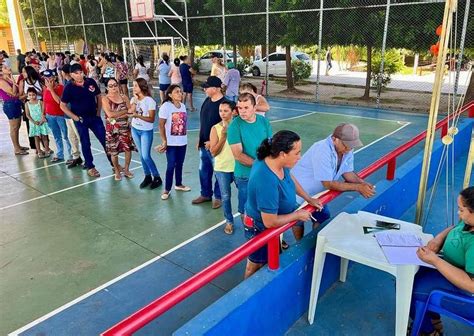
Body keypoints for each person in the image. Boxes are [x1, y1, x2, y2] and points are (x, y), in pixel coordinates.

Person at [243, 130, 323, 278]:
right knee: (255, 264)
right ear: (283, 154)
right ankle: (245, 293)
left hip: (274, 218)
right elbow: (270, 221)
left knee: (268, 258)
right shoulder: (266, 179)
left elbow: (290, 178)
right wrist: (297, 215)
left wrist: (308, 198)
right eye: (297, 153)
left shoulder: (277, 162)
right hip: (259, 226)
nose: (300, 157)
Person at [291, 123, 375, 241]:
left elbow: (348, 172)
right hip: (299, 192)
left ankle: (313, 244)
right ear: (334, 139)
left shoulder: (347, 150)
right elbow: (328, 183)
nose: (348, 149)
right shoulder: (322, 150)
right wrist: (358, 188)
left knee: (322, 217)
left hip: (318, 194)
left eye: (351, 146)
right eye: (346, 145)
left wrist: (362, 183)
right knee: (298, 221)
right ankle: (299, 244)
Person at [410, 186, 474, 335]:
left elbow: (471, 285)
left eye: (461, 210)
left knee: (408, 289)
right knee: (406, 276)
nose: (458, 213)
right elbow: (455, 227)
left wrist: (436, 261)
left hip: (465, 297)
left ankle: (428, 331)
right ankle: (433, 320)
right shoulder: (468, 221)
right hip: (448, 272)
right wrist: (439, 238)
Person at [228, 92, 272, 219]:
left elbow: (270, 146)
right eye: (240, 108)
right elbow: (238, 155)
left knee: (265, 205)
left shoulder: (264, 122)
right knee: (247, 210)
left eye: (246, 107)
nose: (242, 111)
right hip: (245, 176)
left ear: (255, 107)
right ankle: (250, 236)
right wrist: (262, 166)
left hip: (264, 173)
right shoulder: (235, 126)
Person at [60, 63, 107, 178]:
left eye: (81, 72)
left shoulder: (90, 82)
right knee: (85, 142)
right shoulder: (69, 88)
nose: (79, 75)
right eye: (76, 73)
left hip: (94, 117)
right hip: (81, 120)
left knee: (105, 140)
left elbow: (99, 96)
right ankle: (90, 166)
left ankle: (113, 164)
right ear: (71, 75)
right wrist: (75, 117)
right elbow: (62, 105)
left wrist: (98, 112)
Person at [191, 76, 225, 208]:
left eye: (207, 86)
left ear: (216, 88)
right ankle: (205, 194)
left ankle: (218, 197)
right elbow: (203, 122)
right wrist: (199, 139)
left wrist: (214, 142)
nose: (204, 88)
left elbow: (225, 126)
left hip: (216, 146)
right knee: (203, 170)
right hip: (204, 144)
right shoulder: (207, 101)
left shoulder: (224, 104)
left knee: (218, 172)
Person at [156, 84, 190, 199]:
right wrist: (164, 141)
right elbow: (161, 125)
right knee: (171, 165)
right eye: (177, 92)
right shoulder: (166, 106)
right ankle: (167, 189)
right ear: (170, 95)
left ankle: (178, 184)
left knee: (180, 164)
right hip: (171, 143)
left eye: (180, 91)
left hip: (182, 141)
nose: (180, 93)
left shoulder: (183, 106)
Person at [129, 78, 163, 189]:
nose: (133, 88)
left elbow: (151, 119)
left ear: (141, 87)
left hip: (145, 131)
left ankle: (157, 177)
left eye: (135, 86)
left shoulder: (150, 101)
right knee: (141, 155)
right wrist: (134, 101)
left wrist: (137, 115)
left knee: (146, 155)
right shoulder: (134, 99)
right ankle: (147, 176)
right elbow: (130, 112)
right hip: (135, 129)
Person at [209, 100, 236, 234]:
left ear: (233, 111)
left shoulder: (238, 126)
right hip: (222, 168)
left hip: (238, 167)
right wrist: (223, 137)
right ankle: (229, 221)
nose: (223, 114)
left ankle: (249, 219)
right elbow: (213, 152)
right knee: (225, 196)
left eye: (226, 111)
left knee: (247, 194)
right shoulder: (216, 128)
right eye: (220, 111)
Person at [102, 78, 135, 181]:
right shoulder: (105, 99)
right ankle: (117, 170)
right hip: (112, 129)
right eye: (110, 86)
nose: (113, 88)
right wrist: (125, 111)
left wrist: (124, 113)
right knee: (114, 152)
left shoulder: (124, 97)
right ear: (107, 87)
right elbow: (110, 114)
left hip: (124, 127)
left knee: (127, 149)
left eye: (115, 85)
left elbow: (130, 113)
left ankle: (126, 169)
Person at [43, 69, 72, 163]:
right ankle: (60, 154)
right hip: (50, 116)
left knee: (66, 136)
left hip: (61, 116)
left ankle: (71, 155)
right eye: (46, 77)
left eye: (50, 77)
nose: (48, 79)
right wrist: (43, 114)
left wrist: (51, 90)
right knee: (56, 136)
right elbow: (44, 102)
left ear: (54, 77)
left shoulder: (61, 88)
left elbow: (59, 101)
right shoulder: (45, 89)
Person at [0, 63, 28, 155]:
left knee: (18, 126)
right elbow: (13, 93)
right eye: (5, 67)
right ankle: (16, 148)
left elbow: (15, 93)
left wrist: (11, 78)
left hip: (15, 103)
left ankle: (18, 146)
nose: (8, 67)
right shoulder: (1, 81)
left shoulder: (8, 79)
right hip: (10, 105)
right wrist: (13, 81)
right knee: (14, 127)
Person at [25, 87, 51, 158]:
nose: (32, 96)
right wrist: (33, 122)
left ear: (36, 95)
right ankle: (39, 151)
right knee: (36, 138)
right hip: (34, 123)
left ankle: (47, 150)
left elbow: (43, 112)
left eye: (33, 95)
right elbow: (27, 115)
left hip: (42, 122)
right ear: (27, 95)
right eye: (29, 95)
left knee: (44, 137)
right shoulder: (27, 104)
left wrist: (42, 120)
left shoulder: (40, 102)